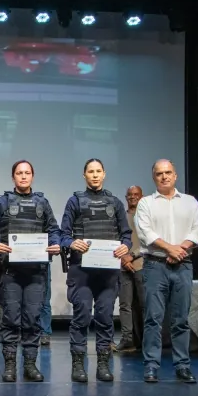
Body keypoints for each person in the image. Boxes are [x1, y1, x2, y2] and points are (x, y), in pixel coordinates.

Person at [0, 160, 62, 382]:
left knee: (32, 319)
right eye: (19, 173)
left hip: (36, 272)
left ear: (32, 176)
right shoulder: (3, 202)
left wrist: (55, 244)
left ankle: (30, 364)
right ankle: (9, 365)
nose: (23, 176)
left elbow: (54, 230)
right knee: (10, 319)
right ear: (13, 177)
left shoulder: (42, 203)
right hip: (10, 273)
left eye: (27, 173)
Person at [60, 159, 132, 383]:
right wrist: (72, 243)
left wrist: (125, 246)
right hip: (81, 271)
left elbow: (126, 234)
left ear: (104, 174)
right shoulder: (74, 202)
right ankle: (78, 364)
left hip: (108, 272)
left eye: (98, 171)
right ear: (84, 175)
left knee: (105, 318)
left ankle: (103, 364)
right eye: (90, 171)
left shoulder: (115, 202)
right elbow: (62, 234)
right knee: (81, 316)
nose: (94, 175)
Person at [134, 159, 198, 383]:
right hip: (155, 265)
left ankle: (182, 365)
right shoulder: (146, 203)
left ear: (175, 176)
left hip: (183, 265)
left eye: (168, 173)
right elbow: (145, 233)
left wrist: (179, 250)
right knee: (153, 318)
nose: (164, 177)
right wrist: (169, 248)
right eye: (159, 173)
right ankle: (152, 365)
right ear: (154, 177)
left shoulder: (190, 202)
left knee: (181, 319)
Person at [117, 185, 146, 352]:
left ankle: (145, 340)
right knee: (125, 305)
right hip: (123, 267)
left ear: (142, 196)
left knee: (143, 305)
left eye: (136, 194)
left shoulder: (145, 217)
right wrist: (123, 259)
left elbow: (148, 241)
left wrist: (132, 256)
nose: (133, 197)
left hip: (142, 265)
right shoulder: (121, 217)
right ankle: (128, 339)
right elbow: (116, 240)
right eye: (129, 194)